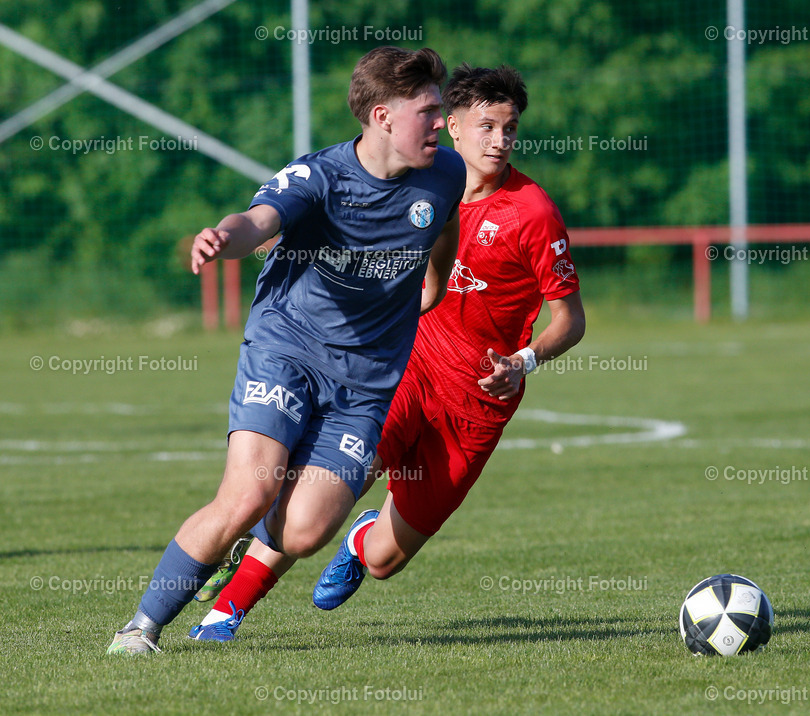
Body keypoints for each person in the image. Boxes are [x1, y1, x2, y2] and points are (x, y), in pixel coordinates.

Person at [189, 63, 586, 641]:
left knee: (383, 561)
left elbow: (570, 321)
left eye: (510, 128)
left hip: (477, 402)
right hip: (403, 369)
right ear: (450, 125)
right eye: (486, 126)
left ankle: (359, 539)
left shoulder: (533, 212)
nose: (499, 140)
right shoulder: (417, 182)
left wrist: (522, 361)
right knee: (313, 492)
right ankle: (226, 612)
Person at [106, 46, 465, 655]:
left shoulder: (445, 172)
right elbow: (259, 219)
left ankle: (238, 550)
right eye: (428, 110)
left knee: (302, 533)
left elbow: (442, 220)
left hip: (366, 382)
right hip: (288, 349)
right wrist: (224, 236)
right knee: (248, 494)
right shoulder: (320, 177)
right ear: (381, 116)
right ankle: (140, 628)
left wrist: (439, 272)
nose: (440, 122)